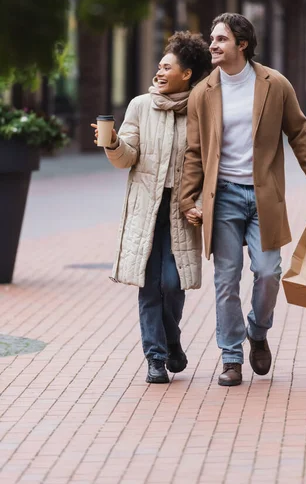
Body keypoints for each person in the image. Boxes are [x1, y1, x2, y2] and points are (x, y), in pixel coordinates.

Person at [180, 13, 306, 387]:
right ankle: (231, 356)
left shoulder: (274, 84)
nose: (213, 45)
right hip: (225, 198)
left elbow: (299, 134)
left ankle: (258, 331)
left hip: (264, 196)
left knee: (268, 273)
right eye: (212, 39)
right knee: (226, 280)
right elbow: (195, 152)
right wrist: (187, 199)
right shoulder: (203, 92)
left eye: (220, 39)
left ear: (242, 44)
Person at [92, 31, 211, 384]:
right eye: (159, 65)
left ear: (186, 74)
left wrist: (201, 204)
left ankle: (172, 340)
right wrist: (113, 142)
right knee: (149, 284)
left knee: (173, 283)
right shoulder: (140, 106)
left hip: (181, 210)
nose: (158, 72)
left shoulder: (201, 110)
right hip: (147, 209)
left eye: (166, 67)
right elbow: (127, 157)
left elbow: (208, 164)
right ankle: (156, 357)